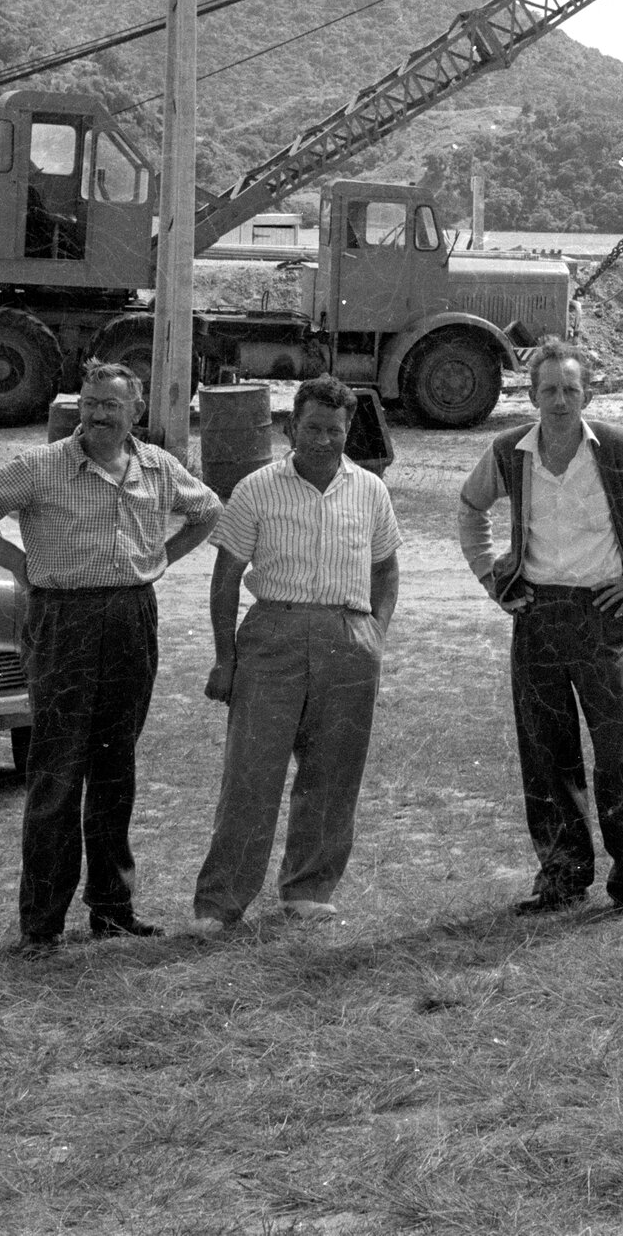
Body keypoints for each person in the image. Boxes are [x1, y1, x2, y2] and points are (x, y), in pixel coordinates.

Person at [0, 362, 221, 950]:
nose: (97, 415)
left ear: (135, 411)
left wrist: (160, 558)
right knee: (57, 772)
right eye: (90, 403)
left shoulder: (157, 467)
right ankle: (42, 924)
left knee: (116, 768)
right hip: (62, 620)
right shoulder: (41, 467)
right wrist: (20, 564)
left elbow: (208, 512)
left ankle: (112, 908)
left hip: (131, 618)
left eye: (110, 406)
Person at [458, 338, 623, 915]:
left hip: (600, 615)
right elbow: (470, 508)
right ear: (532, 396)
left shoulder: (616, 448)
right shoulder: (509, 451)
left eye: (571, 389)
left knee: (616, 755)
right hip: (536, 615)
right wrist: (492, 580)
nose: (560, 401)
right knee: (547, 754)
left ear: (587, 394)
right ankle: (562, 878)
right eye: (549, 391)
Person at [190, 376, 401, 934]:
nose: (323, 440)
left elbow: (386, 569)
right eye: (312, 428)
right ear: (290, 427)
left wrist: (375, 633)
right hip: (273, 634)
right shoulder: (256, 488)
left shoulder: (370, 490)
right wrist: (225, 658)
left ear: (348, 430)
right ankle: (220, 904)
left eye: (335, 430)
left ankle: (308, 890)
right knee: (251, 774)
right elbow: (226, 576)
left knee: (333, 773)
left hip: (348, 637)